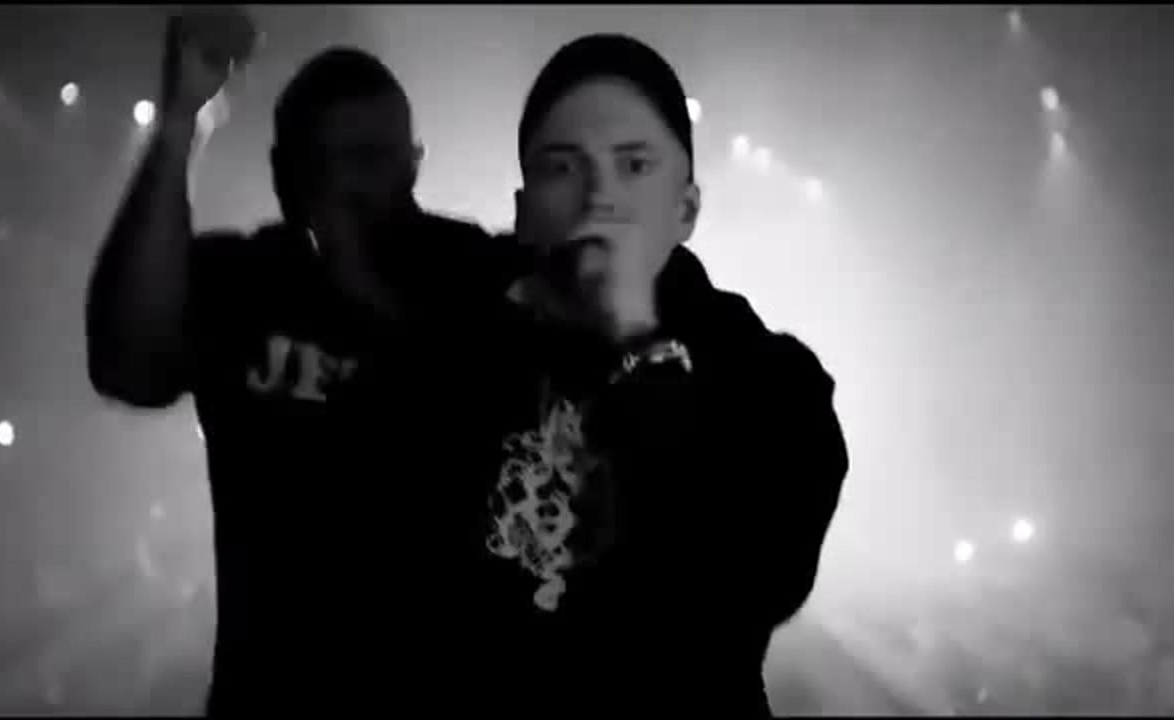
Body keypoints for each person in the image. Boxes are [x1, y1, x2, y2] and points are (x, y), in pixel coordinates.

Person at [386, 34, 849, 713]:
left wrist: (634, 334)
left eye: (635, 164)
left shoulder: (770, 382)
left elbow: (756, 584)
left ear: (686, 208)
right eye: (562, 167)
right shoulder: (446, 351)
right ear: (523, 211)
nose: (599, 194)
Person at [84, 8, 514, 714]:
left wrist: (365, 293)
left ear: (413, 163)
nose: (350, 185)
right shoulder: (247, 278)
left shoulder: (476, 274)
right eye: (326, 163)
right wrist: (180, 122)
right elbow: (126, 363)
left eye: (371, 160)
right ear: (285, 174)